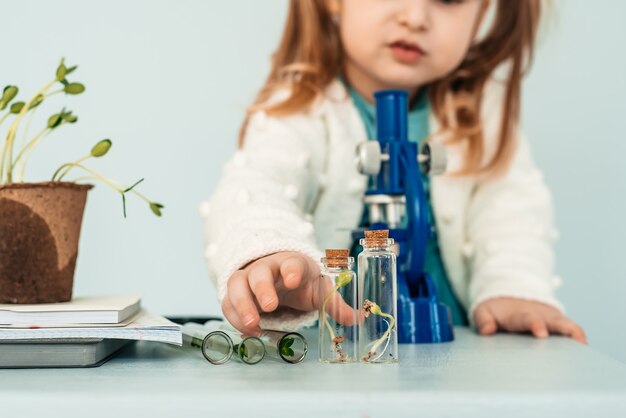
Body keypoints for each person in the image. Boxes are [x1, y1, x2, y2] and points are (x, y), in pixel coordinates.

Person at [200, 0, 587, 343]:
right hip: (334, 357)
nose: (415, 17)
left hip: (456, 358)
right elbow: (255, 186)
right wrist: (271, 252)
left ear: (485, 11)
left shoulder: (482, 117)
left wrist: (514, 288)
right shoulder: (300, 108)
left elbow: (512, 214)